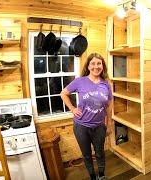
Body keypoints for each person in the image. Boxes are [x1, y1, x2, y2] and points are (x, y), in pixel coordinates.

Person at [60, 52, 113, 180]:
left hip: (99, 126)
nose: (96, 66)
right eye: (93, 63)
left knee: (100, 152)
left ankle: (101, 175)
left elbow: (109, 105)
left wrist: (109, 123)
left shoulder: (106, 84)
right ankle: (92, 176)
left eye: (99, 63)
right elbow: (63, 93)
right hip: (81, 126)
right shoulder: (80, 81)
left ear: (102, 66)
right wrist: (72, 108)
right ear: (88, 66)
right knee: (86, 154)